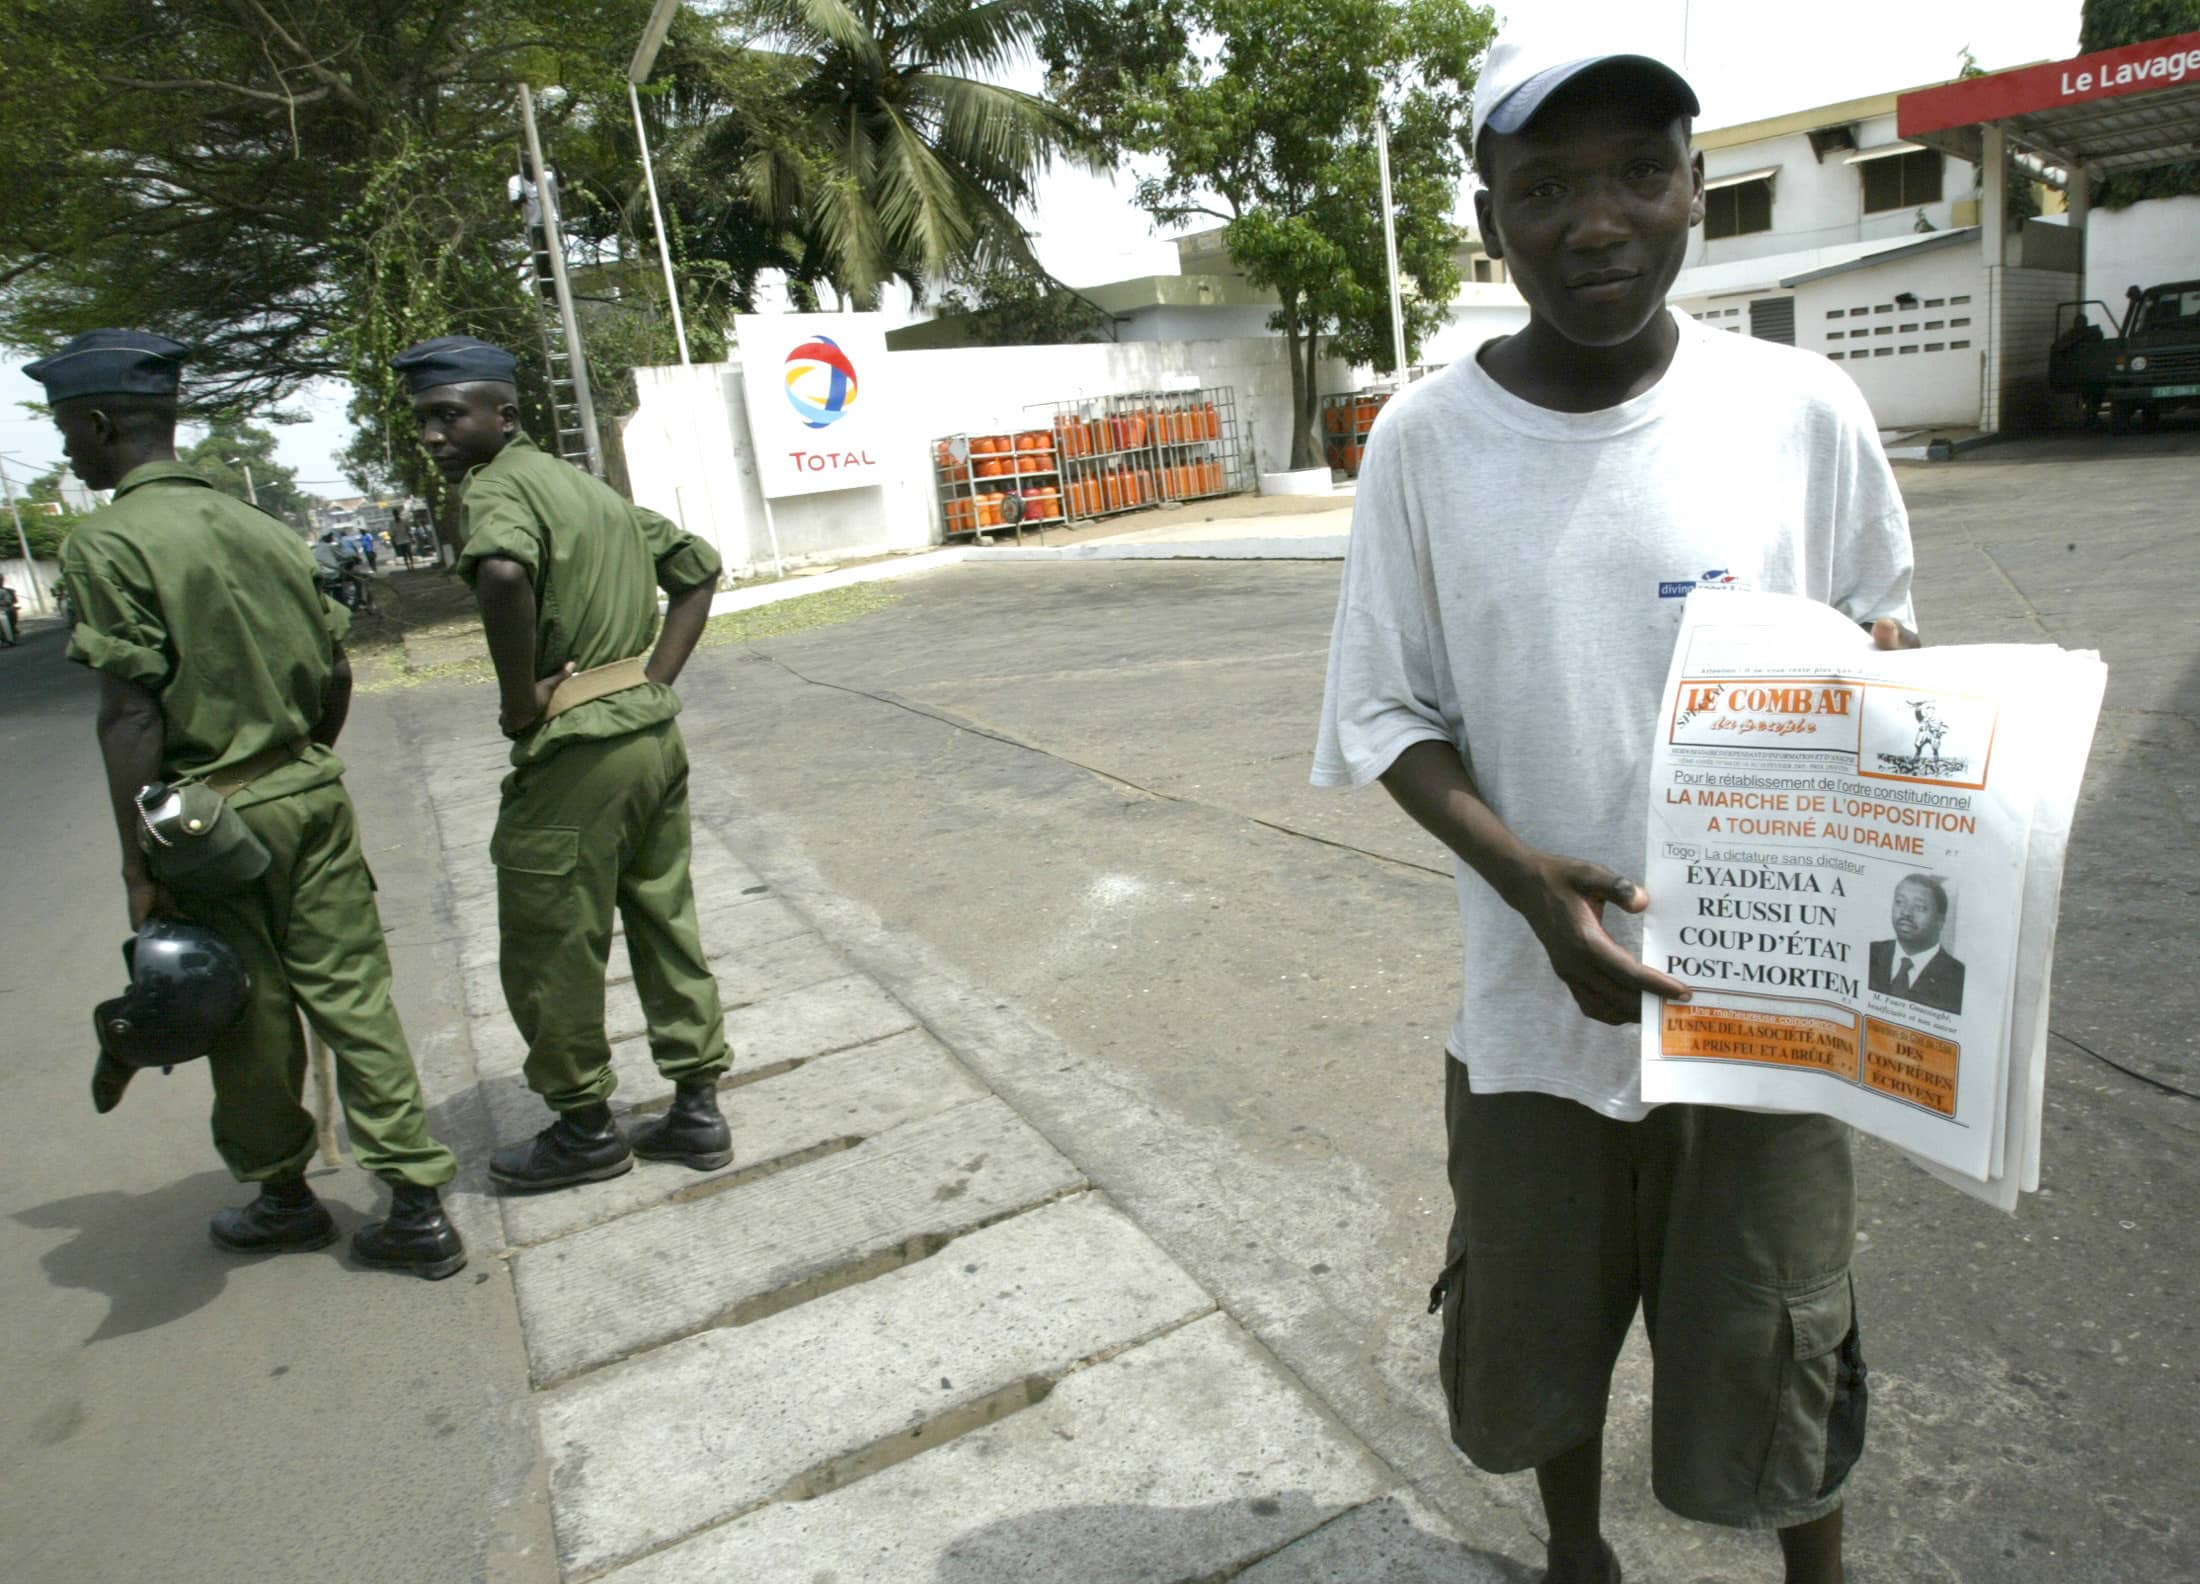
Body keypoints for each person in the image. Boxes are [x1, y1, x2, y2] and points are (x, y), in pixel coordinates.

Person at [1312, 32, 1919, 1584]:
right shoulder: (1427, 446)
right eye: (1550, 185)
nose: (1599, 221)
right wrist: (1530, 885)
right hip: (1532, 1015)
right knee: (1538, 1332)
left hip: (1773, 1012)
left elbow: (1881, 646)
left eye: (1640, 173)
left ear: (1695, 190)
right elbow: (1386, 713)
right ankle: (1578, 1557)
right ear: (1489, 213)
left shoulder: (1803, 407)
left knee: (1777, 1328)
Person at [29, 329, 465, 1279]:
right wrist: (297, 761)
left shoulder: (108, 542)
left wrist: (138, 865)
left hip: (212, 822)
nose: (67, 450)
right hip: (308, 787)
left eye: (69, 431)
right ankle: (419, 1204)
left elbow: (131, 713)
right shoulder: (264, 527)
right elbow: (337, 667)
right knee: (355, 998)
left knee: (251, 1009)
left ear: (102, 424)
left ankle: (282, 1196)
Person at [392, 335, 733, 1191]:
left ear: (503, 415)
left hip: (580, 749)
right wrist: (651, 677)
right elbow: (698, 568)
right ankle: (697, 1106)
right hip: (650, 737)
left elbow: (504, 573)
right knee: (663, 917)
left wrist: (517, 701)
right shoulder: (585, 488)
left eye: (447, 416)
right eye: (424, 421)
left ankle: (584, 1128)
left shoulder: (498, 488)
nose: (433, 436)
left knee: (550, 940)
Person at [1868, 874, 1965, 1014]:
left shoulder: (1958, 979)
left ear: (1940, 921)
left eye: (1919, 907)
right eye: (1899, 902)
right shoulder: (1872, 952)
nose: (1906, 912)